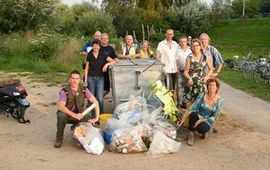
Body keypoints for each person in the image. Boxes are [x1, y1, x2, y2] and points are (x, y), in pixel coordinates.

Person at [54, 70, 100, 148]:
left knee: (94, 125)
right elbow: (61, 106)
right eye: (73, 78)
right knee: (60, 115)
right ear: (69, 79)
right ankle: (59, 138)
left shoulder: (84, 89)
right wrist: (74, 115)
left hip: (80, 115)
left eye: (77, 78)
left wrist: (96, 117)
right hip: (68, 115)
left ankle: (80, 134)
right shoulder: (64, 91)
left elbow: (95, 102)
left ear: (80, 80)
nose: (75, 81)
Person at [178, 78, 223, 146]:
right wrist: (182, 121)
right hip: (198, 116)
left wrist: (202, 120)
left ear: (217, 88)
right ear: (207, 87)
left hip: (208, 120)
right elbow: (193, 108)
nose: (211, 87)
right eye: (210, 85)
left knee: (202, 128)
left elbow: (215, 116)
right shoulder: (202, 95)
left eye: (214, 85)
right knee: (193, 114)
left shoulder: (220, 100)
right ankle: (191, 134)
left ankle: (204, 132)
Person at [84, 39, 116, 114]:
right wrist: (85, 80)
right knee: (92, 99)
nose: (95, 47)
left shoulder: (103, 55)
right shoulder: (89, 55)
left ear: (99, 46)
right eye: (94, 45)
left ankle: (100, 115)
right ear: (92, 46)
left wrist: (106, 64)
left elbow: (113, 61)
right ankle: (93, 116)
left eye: (97, 45)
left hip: (100, 79)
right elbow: (86, 68)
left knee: (100, 98)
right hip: (90, 78)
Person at [181, 39, 213, 108]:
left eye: (197, 46)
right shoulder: (189, 57)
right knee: (189, 105)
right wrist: (189, 79)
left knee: (201, 97)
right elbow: (185, 72)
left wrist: (207, 77)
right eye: (193, 46)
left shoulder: (205, 57)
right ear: (191, 47)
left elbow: (211, 69)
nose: (195, 48)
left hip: (201, 81)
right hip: (191, 81)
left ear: (200, 46)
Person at [156, 29, 179, 94]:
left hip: (174, 69)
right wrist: (157, 56)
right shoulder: (161, 44)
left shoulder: (175, 44)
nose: (169, 35)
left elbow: (177, 57)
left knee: (173, 88)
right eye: (168, 34)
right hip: (165, 69)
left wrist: (177, 67)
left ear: (173, 35)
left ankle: (172, 102)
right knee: (166, 88)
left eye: (171, 34)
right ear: (165, 34)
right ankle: (166, 102)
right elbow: (158, 52)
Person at [177, 35, 192, 105]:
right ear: (179, 42)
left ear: (187, 42)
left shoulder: (190, 50)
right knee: (179, 87)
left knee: (188, 86)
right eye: (181, 42)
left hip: (189, 72)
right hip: (180, 71)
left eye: (184, 41)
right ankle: (179, 102)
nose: (183, 43)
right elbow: (175, 60)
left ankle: (186, 102)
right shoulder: (177, 50)